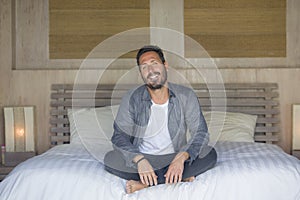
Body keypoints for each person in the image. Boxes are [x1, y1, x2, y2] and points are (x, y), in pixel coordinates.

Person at [104, 45, 217, 194]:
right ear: (141, 74)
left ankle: (148, 182)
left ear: (165, 66)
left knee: (210, 154)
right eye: (144, 67)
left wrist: (182, 157)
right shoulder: (131, 98)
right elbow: (119, 137)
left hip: (174, 157)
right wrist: (139, 160)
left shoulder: (186, 96)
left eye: (154, 63)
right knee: (110, 159)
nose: (150, 71)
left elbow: (201, 133)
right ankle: (179, 177)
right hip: (143, 160)